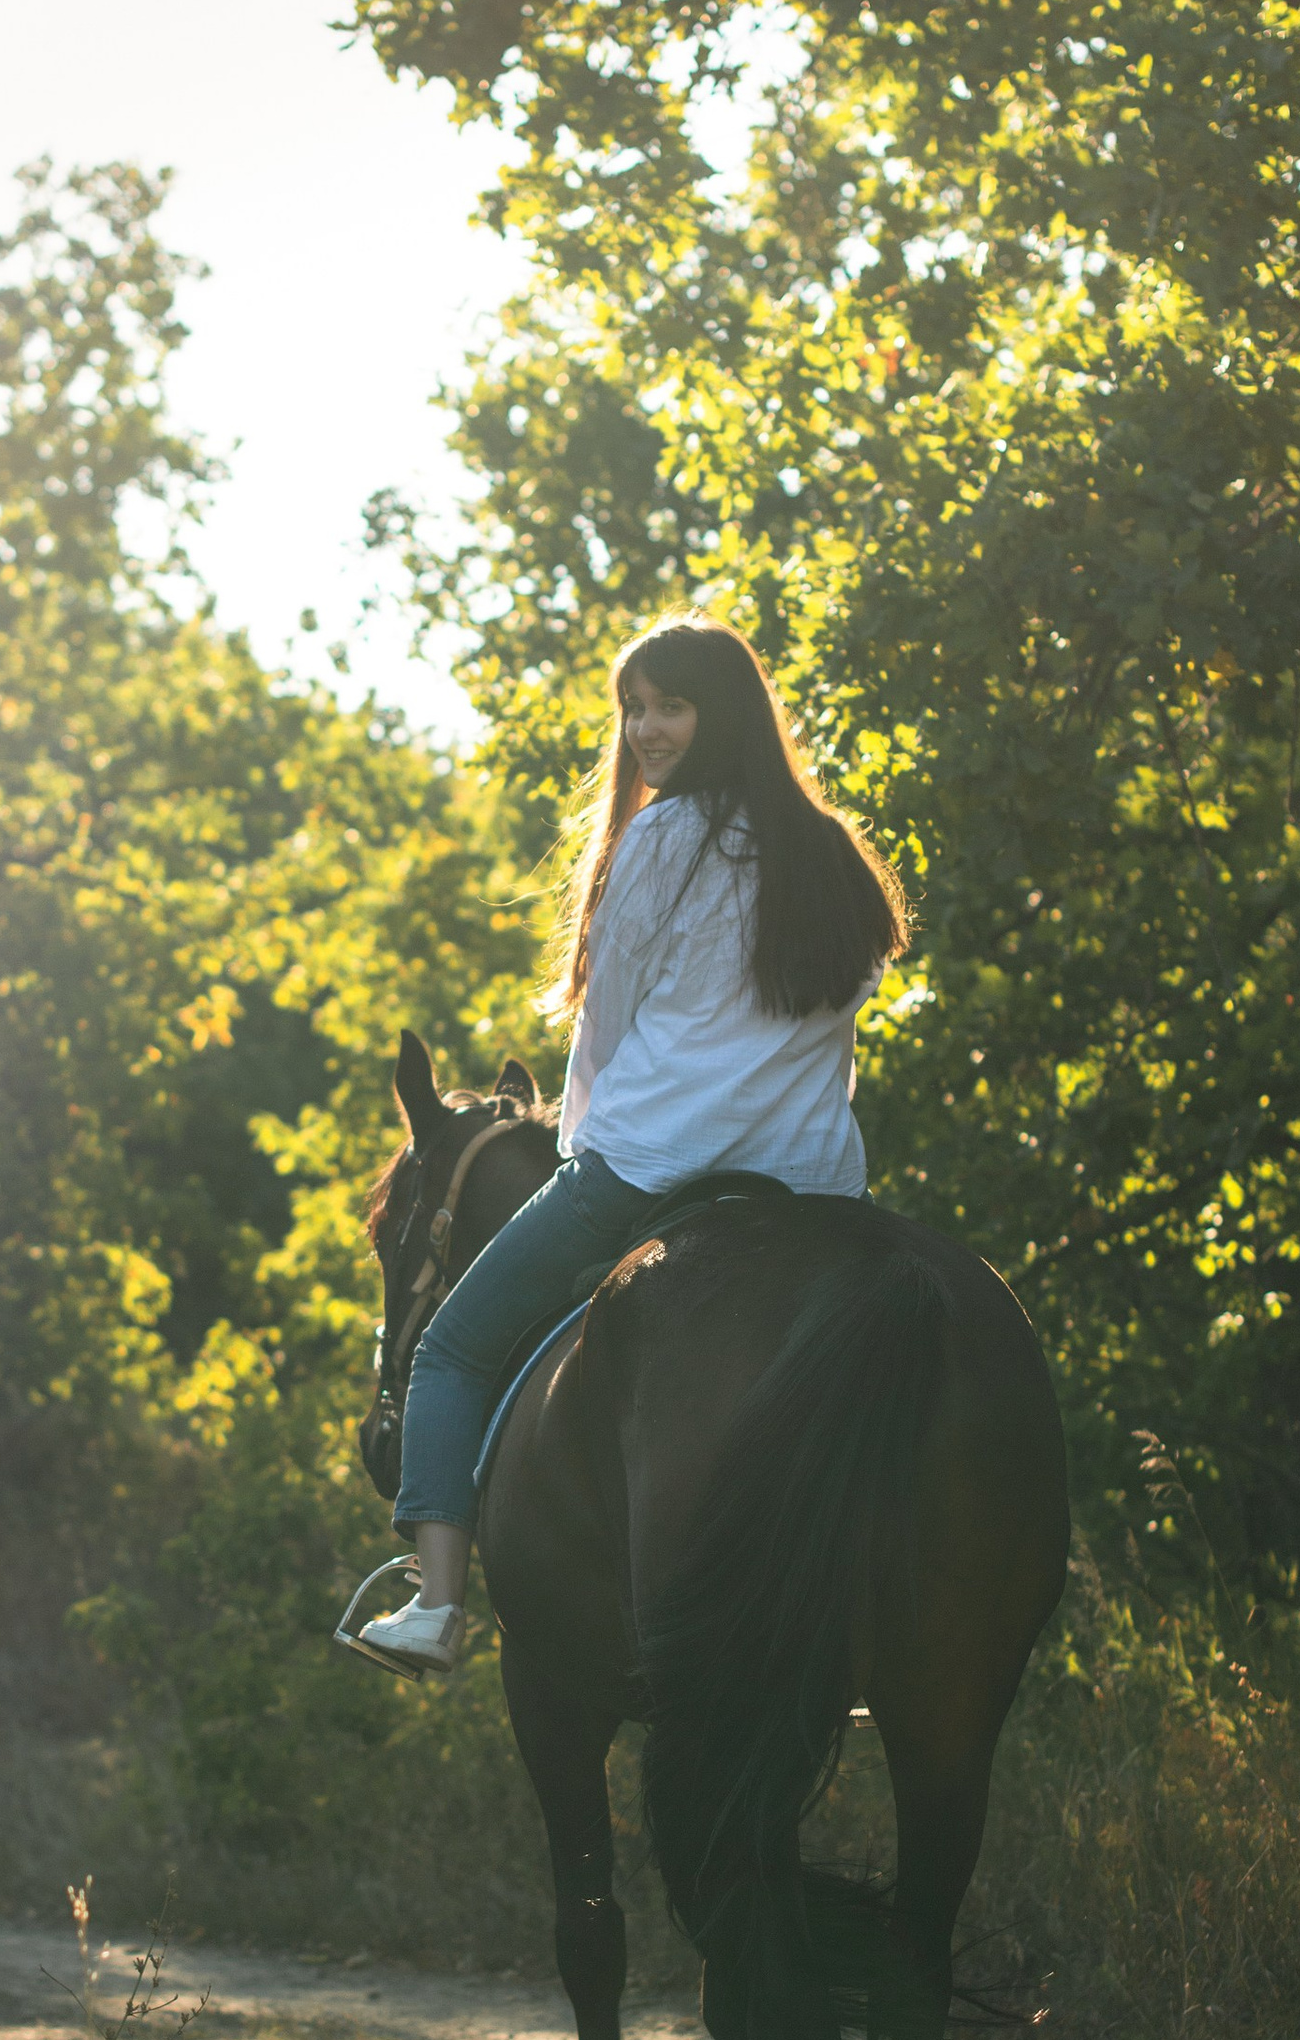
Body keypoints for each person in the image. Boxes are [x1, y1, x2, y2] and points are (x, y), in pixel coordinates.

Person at [351, 616, 911, 1673]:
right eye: (634, 708)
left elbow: (601, 1027)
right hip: (814, 1192)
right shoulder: (834, 853)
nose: (647, 729)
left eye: (670, 705)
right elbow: (836, 1037)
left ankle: (434, 1607)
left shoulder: (663, 838)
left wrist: (580, 1147)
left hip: (649, 1168)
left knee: (450, 1350)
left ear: (723, 712)